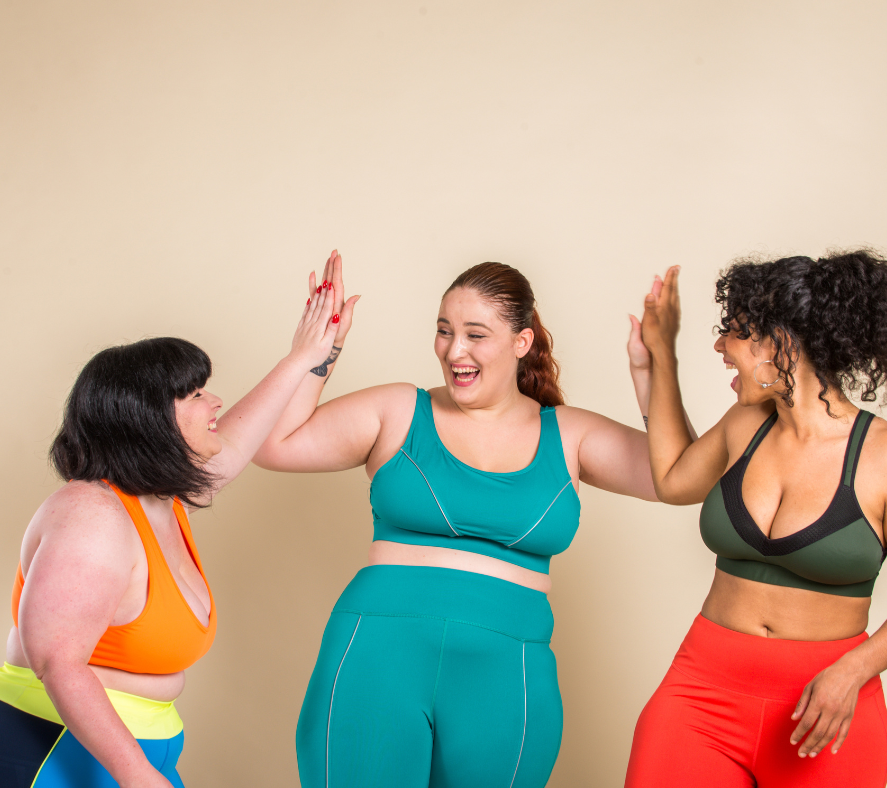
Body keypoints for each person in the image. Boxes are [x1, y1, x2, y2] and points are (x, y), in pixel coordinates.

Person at [254, 253, 664, 788]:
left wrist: (652, 378)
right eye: (444, 331)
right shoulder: (398, 409)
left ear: (522, 342)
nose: (454, 350)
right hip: (377, 658)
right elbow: (273, 443)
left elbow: (674, 479)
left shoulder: (571, 434)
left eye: (476, 334)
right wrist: (315, 353)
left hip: (507, 674)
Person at [0, 279, 344, 788]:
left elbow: (236, 443)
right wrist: (136, 774)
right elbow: (57, 660)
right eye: (197, 395)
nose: (215, 402)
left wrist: (308, 355)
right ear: (149, 420)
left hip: (129, 746)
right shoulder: (92, 516)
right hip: (46, 743)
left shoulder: (160, 501)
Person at [625, 251, 887, 787]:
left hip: (825, 707)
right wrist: (659, 359)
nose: (722, 348)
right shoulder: (747, 423)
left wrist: (854, 672)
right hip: (701, 691)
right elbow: (674, 478)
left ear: (781, 342)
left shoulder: (881, 454)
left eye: (737, 334)